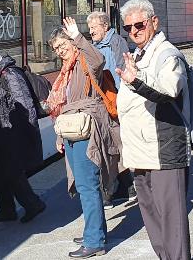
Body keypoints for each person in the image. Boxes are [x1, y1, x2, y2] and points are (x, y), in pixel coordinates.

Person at [115, 0, 191, 260]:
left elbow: (169, 90)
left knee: (172, 221)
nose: (133, 31)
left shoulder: (167, 54)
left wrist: (136, 80)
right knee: (152, 217)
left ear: (153, 22)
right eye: (128, 28)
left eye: (139, 25)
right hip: (141, 150)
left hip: (164, 148)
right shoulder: (139, 53)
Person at [48, 17, 120, 259]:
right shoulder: (67, 70)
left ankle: (94, 240)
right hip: (71, 129)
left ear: (73, 42)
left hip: (86, 129)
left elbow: (99, 59)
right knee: (83, 184)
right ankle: (96, 230)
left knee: (88, 185)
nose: (60, 51)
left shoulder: (84, 61)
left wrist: (79, 36)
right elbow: (63, 104)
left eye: (62, 45)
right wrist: (59, 135)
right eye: (56, 48)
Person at [0, 46, 46, 224]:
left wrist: (28, 134)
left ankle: (33, 204)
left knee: (12, 173)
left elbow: (25, 104)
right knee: (0, 173)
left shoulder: (10, 75)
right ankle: (6, 209)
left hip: (12, 135)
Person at [86, 11, 137, 208]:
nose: (91, 32)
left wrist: (119, 99)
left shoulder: (116, 42)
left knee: (114, 145)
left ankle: (116, 189)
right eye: (89, 28)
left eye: (94, 28)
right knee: (112, 145)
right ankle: (125, 186)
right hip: (103, 101)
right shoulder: (95, 46)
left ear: (105, 26)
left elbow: (120, 70)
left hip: (114, 100)